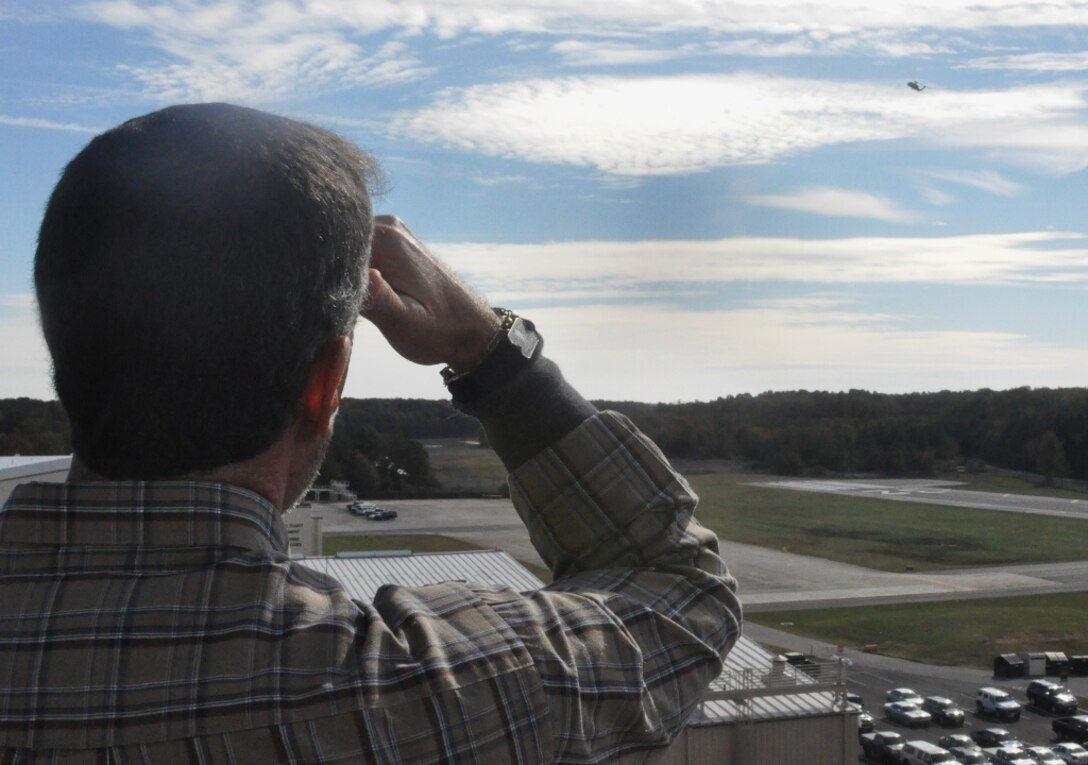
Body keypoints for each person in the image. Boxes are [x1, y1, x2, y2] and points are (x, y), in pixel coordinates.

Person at [1, 103, 741, 763]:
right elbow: (681, 590)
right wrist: (489, 349)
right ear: (324, 385)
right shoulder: (432, 693)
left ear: (61, 342)